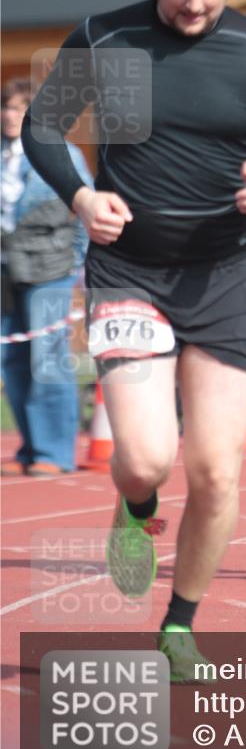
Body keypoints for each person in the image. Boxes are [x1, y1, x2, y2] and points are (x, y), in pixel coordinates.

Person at [21, 0, 246, 678]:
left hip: (224, 274)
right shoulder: (104, 36)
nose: (195, 3)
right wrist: (83, 195)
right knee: (147, 458)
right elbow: (42, 125)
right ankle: (135, 506)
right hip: (129, 271)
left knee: (218, 468)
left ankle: (179, 625)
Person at [1, 78, 93, 476]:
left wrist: (75, 264)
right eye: (5, 107)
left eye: (19, 108)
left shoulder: (63, 154)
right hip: (6, 269)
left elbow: (86, 212)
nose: (9, 115)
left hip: (51, 268)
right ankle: (31, 447)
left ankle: (55, 453)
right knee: (12, 358)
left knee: (49, 359)